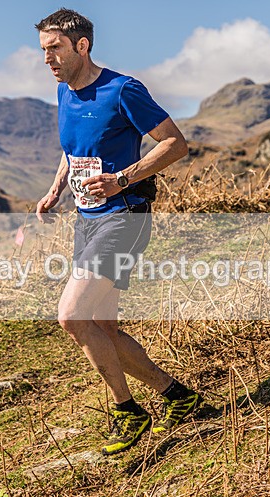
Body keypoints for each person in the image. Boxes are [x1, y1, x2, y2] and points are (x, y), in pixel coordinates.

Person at [35, 8, 200, 456]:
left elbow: (175, 143)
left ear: (81, 46)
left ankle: (128, 410)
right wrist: (55, 189)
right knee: (102, 324)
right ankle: (177, 397)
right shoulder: (66, 92)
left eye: (54, 49)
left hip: (124, 216)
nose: (47, 59)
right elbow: (74, 151)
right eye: (43, 51)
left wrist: (122, 179)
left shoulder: (122, 89)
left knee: (71, 317)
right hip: (86, 221)